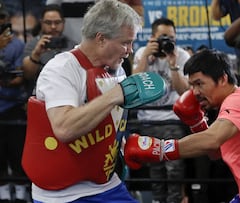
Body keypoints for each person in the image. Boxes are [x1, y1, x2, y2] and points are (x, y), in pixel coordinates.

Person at [20, 1, 165, 202]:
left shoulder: (117, 70)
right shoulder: (61, 69)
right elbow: (64, 128)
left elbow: (107, 125)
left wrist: (122, 145)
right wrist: (115, 94)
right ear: (101, 39)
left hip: (106, 185)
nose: (130, 50)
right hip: (62, 194)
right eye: (125, 42)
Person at [125, 49, 240, 203]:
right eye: (192, 85)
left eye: (199, 84)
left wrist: (160, 149)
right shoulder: (231, 104)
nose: (195, 92)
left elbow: (212, 140)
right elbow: (215, 152)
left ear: (222, 79)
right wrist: (197, 123)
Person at [132, 17, 190, 203]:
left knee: (174, 169)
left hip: (172, 119)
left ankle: (174, 201)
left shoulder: (181, 55)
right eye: (163, 37)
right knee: (155, 169)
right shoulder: (142, 52)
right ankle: (157, 200)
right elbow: (134, 85)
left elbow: (184, 92)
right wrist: (146, 57)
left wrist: (173, 65)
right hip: (149, 119)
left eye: (171, 38)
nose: (168, 41)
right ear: (153, 37)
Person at [0, 1, 28, 202]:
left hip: (13, 106)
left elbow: (19, 77)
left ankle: (20, 192)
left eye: (4, 23)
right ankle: (2, 192)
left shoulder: (18, 44)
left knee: (17, 151)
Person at [22, 4, 77, 95]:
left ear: (63, 22)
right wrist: (36, 54)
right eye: (48, 23)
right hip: (40, 94)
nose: (53, 27)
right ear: (41, 23)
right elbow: (28, 75)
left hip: (68, 92)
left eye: (57, 22)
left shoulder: (72, 45)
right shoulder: (33, 45)